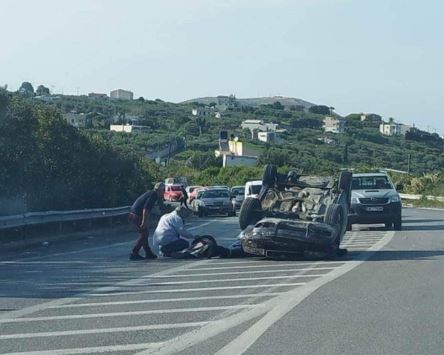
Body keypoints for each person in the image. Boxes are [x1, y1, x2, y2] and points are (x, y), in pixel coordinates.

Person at [129, 182, 165, 261]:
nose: (164, 192)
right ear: (159, 190)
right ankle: (134, 252)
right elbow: (146, 209)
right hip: (136, 215)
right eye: (163, 190)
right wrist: (144, 222)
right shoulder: (153, 195)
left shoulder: (151, 193)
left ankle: (148, 253)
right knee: (144, 234)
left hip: (134, 214)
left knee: (145, 234)